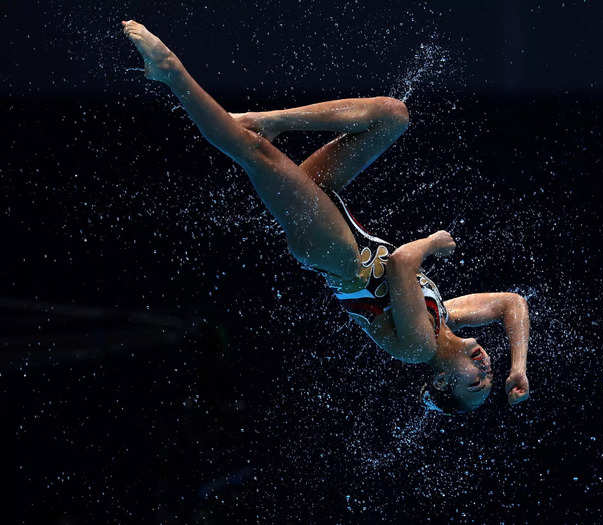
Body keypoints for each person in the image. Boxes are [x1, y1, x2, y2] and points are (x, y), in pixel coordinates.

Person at [121, 20, 530, 414]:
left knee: (253, 152)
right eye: (490, 374)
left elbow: (404, 264)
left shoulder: (418, 347)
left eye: (475, 383)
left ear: (442, 382)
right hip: (340, 222)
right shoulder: (443, 316)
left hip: (337, 256)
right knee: (392, 116)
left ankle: (170, 72)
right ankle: (272, 120)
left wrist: (430, 244)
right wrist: (518, 367)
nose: (485, 370)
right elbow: (511, 304)